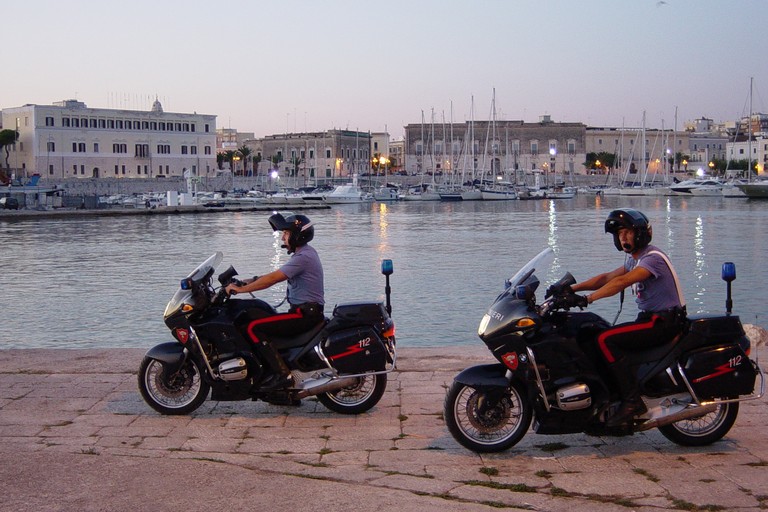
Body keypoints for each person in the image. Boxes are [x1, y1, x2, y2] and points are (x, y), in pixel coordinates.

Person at [569, 208, 686, 427]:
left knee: (605, 339)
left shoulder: (652, 259)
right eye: (620, 233)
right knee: (593, 333)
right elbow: (606, 277)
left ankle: (632, 401)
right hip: (650, 319)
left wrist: (588, 299)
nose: (623, 237)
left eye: (628, 232)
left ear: (640, 233)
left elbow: (622, 282)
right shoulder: (635, 260)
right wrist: (570, 289)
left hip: (663, 322)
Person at [225, 213, 325, 390]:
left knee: (253, 327)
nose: (283, 237)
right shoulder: (305, 253)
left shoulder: (303, 258)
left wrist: (240, 290)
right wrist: (246, 281)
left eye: (286, 233)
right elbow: (271, 275)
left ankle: (282, 376)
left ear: (296, 235)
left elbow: (272, 279)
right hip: (303, 312)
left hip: (304, 315)